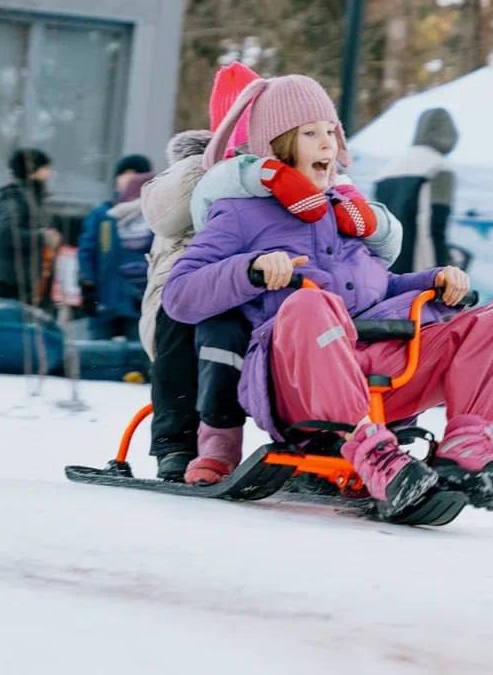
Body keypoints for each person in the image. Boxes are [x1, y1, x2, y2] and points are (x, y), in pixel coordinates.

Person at [162, 74, 493, 516]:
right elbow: (180, 295)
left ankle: (466, 448)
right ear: (280, 143)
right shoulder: (241, 215)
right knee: (310, 302)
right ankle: (373, 454)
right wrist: (252, 269)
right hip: (297, 378)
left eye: (331, 132)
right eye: (310, 133)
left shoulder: (342, 211)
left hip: (371, 365)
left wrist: (433, 281)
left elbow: (379, 288)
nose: (327, 145)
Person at [139, 63, 405, 483]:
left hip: (277, 296)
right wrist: (243, 173)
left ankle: (336, 436)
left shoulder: (315, 172)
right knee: (203, 323)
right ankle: (180, 442)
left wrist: (363, 218)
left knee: (351, 315)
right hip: (194, 298)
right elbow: (165, 216)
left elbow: (372, 232)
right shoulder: (204, 173)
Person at [77, 154, 154, 340]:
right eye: (124, 173)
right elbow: (87, 251)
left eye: (136, 173)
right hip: (105, 298)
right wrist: (87, 283)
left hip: (139, 300)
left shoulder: (153, 213)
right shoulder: (103, 213)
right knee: (99, 357)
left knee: (141, 356)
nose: (129, 178)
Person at [373, 106, 458, 273]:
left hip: (386, 269)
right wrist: (439, 274)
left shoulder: (387, 169)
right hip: (419, 272)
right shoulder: (440, 167)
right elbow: (434, 226)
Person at [0, 148, 58, 310]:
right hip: (7, 286)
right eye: (46, 168)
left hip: (20, 285)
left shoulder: (31, 199)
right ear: (32, 171)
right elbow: (6, 234)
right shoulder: (13, 197)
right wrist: (43, 236)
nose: (50, 174)